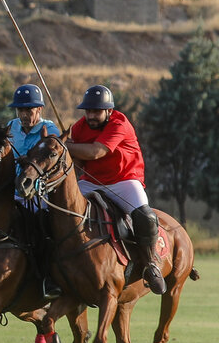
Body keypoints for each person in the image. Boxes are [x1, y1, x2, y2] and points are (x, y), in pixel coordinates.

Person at [65, 84, 166, 295]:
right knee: (64, 210)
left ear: (109, 111)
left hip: (124, 181)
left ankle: (149, 264)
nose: (91, 115)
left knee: (145, 216)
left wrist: (64, 146)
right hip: (92, 181)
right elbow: (81, 164)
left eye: (97, 111)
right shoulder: (78, 128)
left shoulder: (120, 123)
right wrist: (70, 153)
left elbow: (96, 152)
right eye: (88, 111)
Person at [5, 83, 61, 298]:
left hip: (39, 191)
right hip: (12, 189)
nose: (24, 115)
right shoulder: (11, 127)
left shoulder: (51, 130)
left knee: (44, 230)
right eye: (20, 110)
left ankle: (49, 277)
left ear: (39, 110)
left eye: (29, 110)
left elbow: (54, 160)